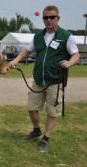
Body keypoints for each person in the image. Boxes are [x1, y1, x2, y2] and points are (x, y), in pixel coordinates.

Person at [8, 5, 80, 152]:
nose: (49, 20)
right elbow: (27, 50)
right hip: (39, 81)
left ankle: (45, 139)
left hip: (55, 81)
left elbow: (76, 55)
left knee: (52, 112)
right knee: (32, 107)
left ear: (57, 18)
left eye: (52, 17)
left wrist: (69, 62)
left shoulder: (67, 36)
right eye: (46, 17)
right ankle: (36, 130)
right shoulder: (38, 37)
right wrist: (16, 60)